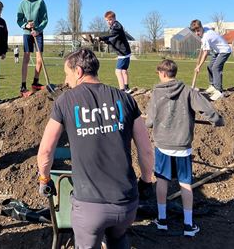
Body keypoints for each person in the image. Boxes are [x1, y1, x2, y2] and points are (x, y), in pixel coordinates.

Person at [37, 49, 153, 249]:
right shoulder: (124, 98)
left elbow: (46, 151)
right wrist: (146, 181)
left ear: (79, 71)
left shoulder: (65, 101)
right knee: (118, 239)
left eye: (67, 74)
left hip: (89, 206)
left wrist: (44, 180)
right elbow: (147, 150)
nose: (66, 80)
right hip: (125, 204)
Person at [146, 59, 224, 238]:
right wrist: (218, 121)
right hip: (182, 146)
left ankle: (162, 220)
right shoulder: (188, 91)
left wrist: (150, 121)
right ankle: (188, 225)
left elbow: (149, 122)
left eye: (159, 73)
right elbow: (208, 111)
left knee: (162, 180)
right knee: (185, 184)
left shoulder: (156, 94)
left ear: (163, 74)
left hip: (163, 146)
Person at [17, 0, 48, 97]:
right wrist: (26, 25)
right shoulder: (22, 4)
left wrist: (38, 30)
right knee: (26, 58)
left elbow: (45, 19)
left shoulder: (40, 1)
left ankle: (35, 82)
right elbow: (19, 20)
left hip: (38, 33)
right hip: (27, 34)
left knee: (39, 58)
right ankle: (23, 86)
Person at [190, 19, 232, 101]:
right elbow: (210, 28)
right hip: (217, 51)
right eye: (195, 32)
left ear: (201, 27)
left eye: (198, 31)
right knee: (210, 66)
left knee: (215, 68)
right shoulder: (205, 28)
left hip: (224, 51)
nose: (197, 33)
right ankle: (213, 85)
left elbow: (205, 54)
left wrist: (199, 66)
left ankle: (219, 91)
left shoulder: (206, 37)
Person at [98, 11, 132, 94]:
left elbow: (112, 36)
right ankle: (127, 88)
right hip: (126, 51)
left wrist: (101, 38)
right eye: (107, 20)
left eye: (110, 19)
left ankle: (122, 90)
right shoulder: (115, 26)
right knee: (124, 70)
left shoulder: (116, 27)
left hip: (123, 53)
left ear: (114, 18)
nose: (108, 22)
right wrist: (104, 41)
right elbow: (113, 39)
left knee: (118, 71)